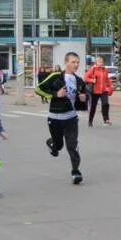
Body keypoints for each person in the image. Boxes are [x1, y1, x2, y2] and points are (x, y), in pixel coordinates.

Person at [35, 51, 87, 185]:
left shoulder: (79, 81)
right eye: (73, 62)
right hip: (55, 118)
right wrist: (55, 94)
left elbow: (80, 103)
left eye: (77, 62)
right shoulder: (55, 76)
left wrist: (83, 99)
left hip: (71, 118)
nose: (76, 64)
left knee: (73, 146)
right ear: (66, 63)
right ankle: (52, 143)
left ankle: (76, 172)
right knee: (58, 147)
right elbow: (38, 89)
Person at [83, 55, 114, 127]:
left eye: (102, 62)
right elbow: (85, 77)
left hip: (103, 90)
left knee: (106, 104)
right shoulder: (93, 69)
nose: (101, 63)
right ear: (96, 63)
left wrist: (110, 86)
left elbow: (107, 79)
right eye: (99, 62)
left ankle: (106, 120)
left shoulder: (105, 70)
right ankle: (90, 121)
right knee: (93, 106)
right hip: (94, 91)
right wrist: (92, 80)